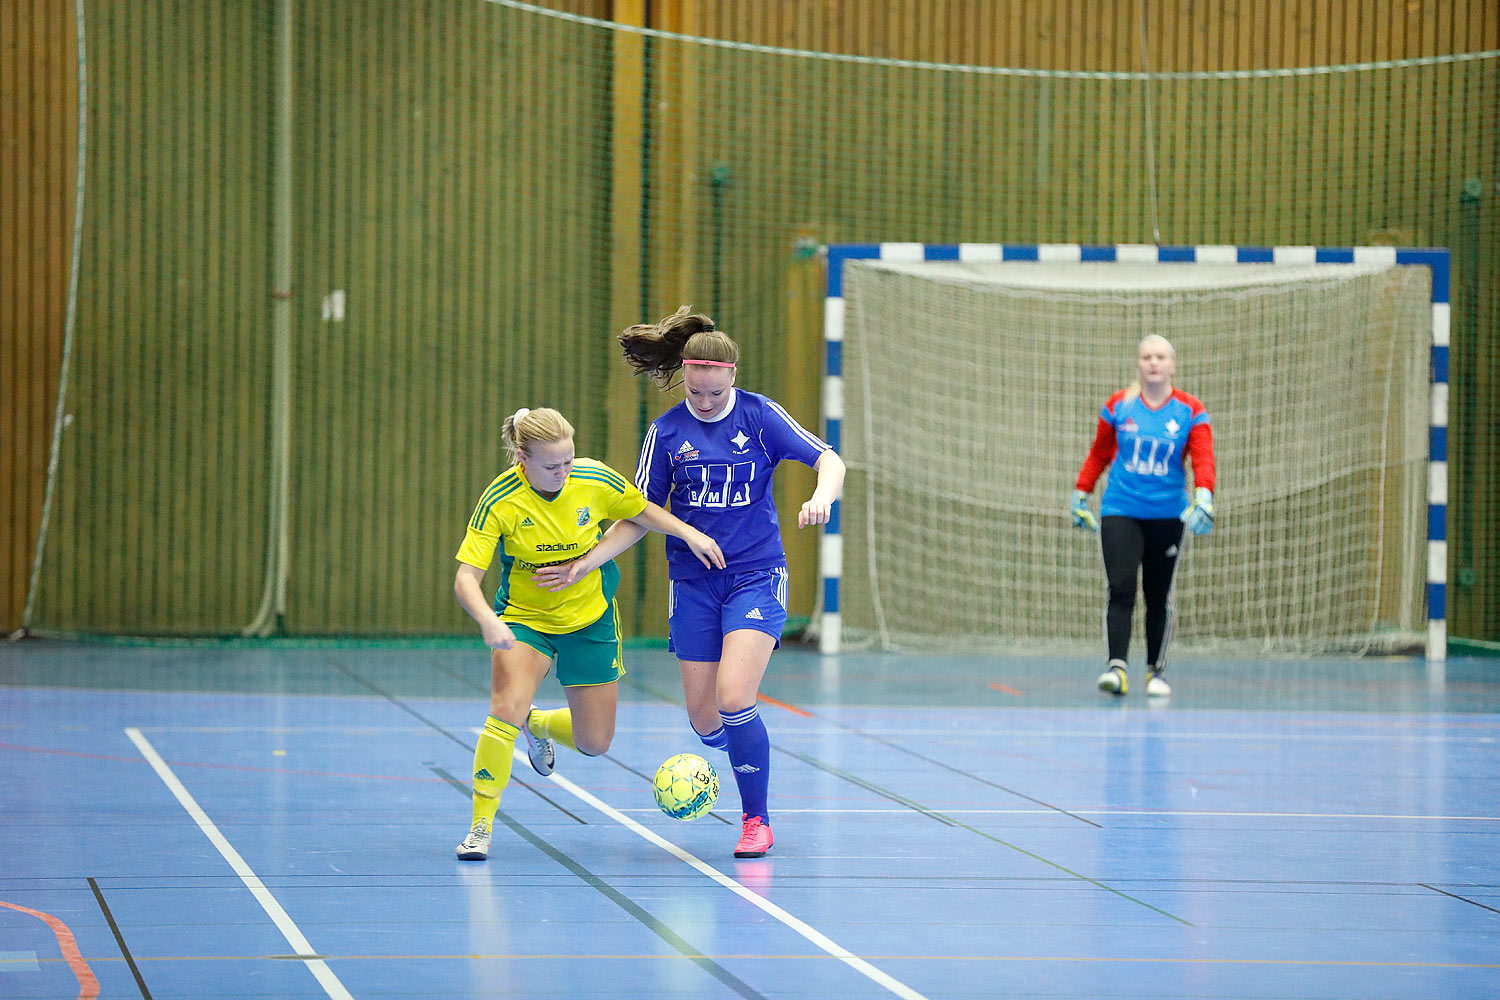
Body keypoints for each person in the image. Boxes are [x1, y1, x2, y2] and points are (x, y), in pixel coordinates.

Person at [535, 306, 845, 858]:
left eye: (712, 392)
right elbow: (638, 513)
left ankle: (757, 820)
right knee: (705, 719)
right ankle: (746, 750)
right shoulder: (666, 431)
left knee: (733, 696)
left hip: (756, 575)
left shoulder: (760, 415)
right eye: (694, 392)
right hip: (694, 583)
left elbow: (830, 460)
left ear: (731, 376)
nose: (702, 402)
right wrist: (586, 561)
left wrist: (820, 497)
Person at [452, 406, 724, 861]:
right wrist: (487, 619)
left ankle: (535, 721)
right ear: (522, 457)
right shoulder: (501, 499)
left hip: (590, 619)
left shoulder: (593, 480)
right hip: (525, 620)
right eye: (551, 464)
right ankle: (481, 825)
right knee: (502, 711)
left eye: (568, 461)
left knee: (595, 743)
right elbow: (466, 578)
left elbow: (643, 512)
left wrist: (689, 533)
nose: (563, 471)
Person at [1071, 334, 1216, 698]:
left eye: (1161, 357)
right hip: (1121, 508)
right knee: (1120, 588)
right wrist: (1080, 493)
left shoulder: (1190, 409)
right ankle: (1117, 669)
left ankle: (1156, 672)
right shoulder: (1120, 405)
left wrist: (1204, 495)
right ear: (1138, 363)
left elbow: (1202, 457)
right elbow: (1099, 453)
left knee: (1158, 594)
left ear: (1172, 365)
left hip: (1168, 514)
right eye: (1147, 356)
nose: (1154, 362)